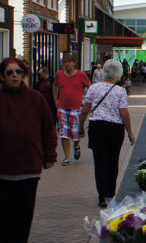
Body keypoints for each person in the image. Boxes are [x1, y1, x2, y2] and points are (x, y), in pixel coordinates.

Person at [0, 57, 57, 243]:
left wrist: (50, 155)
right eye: (10, 72)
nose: (15, 75)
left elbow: (48, 129)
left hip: (27, 166)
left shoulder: (36, 98)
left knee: (22, 211)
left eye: (18, 72)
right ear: (1, 77)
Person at [79, 59, 136, 208]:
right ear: (118, 74)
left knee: (100, 162)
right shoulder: (120, 91)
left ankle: (101, 196)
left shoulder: (93, 88)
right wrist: (130, 132)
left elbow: (85, 109)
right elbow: (124, 113)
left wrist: (81, 126)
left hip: (97, 127)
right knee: (113, 161)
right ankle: (110, 194)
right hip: (115, 130)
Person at [53, 55, 91, 166]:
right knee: (64, 133)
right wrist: (55, 99)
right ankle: (67, 157)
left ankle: (76, 146)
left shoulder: (81, 74)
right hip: (62, 108)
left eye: (69, 62)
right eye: (65, 62)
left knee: (75, 134)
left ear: (74, 63)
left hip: (76, 109)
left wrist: (88, 101)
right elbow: (55, 86)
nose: (67, 64)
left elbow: (90, 86)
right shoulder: (59, 74)